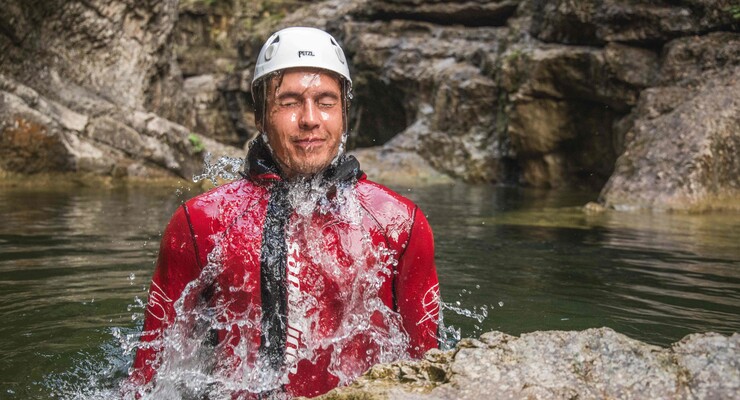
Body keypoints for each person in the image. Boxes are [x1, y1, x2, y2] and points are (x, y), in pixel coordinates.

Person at [128, 27, 440, 399]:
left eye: (325, 101)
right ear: (261, 116)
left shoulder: (398, 223)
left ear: (344, 114)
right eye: (290, 102)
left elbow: (431, 370)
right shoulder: (201, 222)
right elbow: (147, 377)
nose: (310, 119)